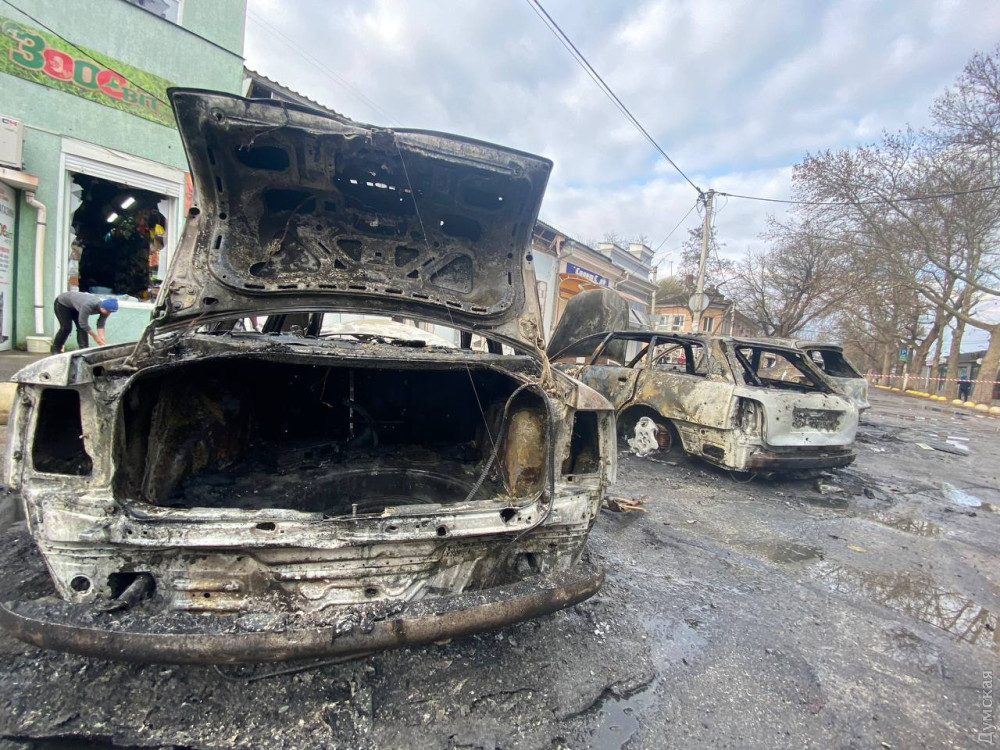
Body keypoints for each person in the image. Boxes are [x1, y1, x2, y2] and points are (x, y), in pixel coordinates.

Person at [50, 291, 118, 354]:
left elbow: (101, 324)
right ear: (103, 307)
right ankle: (56, 349)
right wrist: (95, 336)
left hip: (76, 306)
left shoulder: (106, 310)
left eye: (111, 312)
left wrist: (102, 338)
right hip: (62, 304)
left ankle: (84, 351)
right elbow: (83, 323)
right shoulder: (88, 305)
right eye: (108, 311)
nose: (109, 313)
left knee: (82, 329)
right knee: (66, 328)